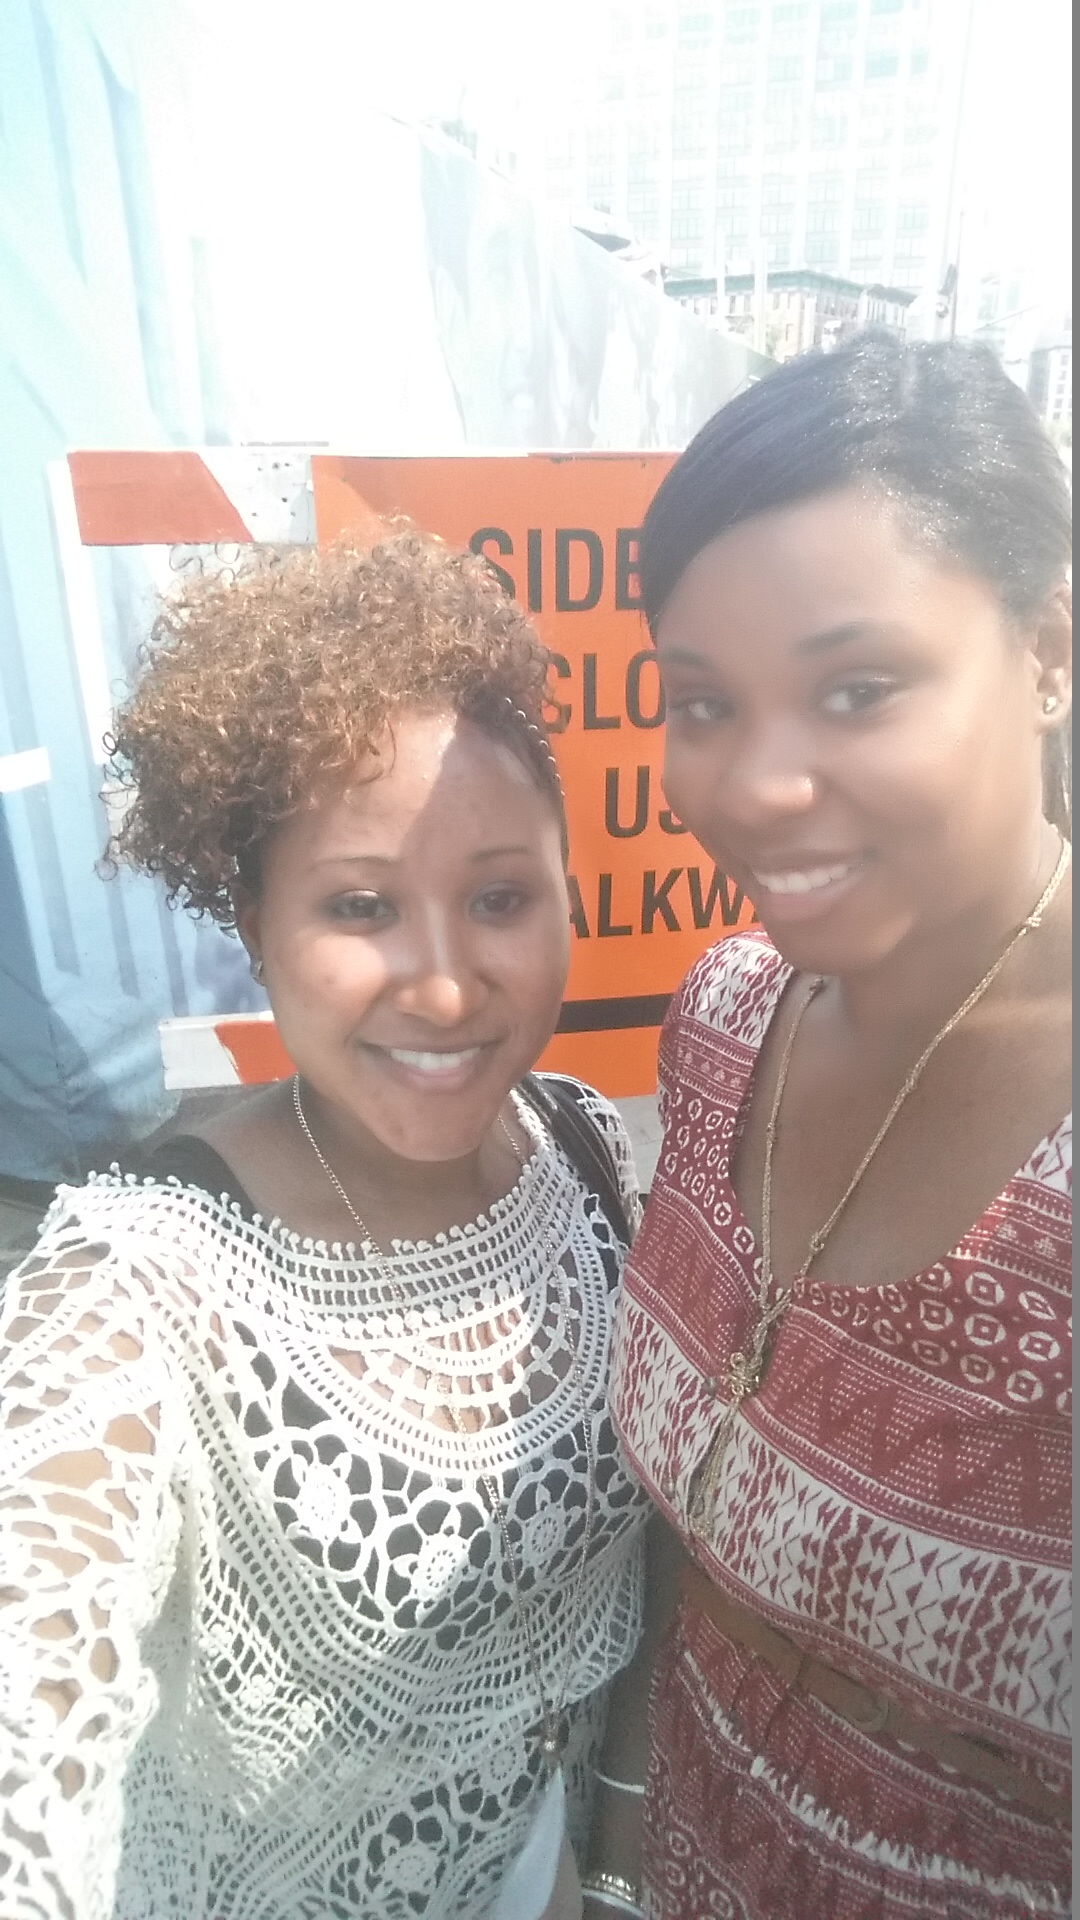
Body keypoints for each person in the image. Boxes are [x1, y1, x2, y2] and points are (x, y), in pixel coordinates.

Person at [0, 531, 658, 1920]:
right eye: (361, 907)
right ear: (254, 922)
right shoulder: (139, 1277)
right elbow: (37, 1654)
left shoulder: (584, 1152)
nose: (444, 986)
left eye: (499, 898)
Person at [611, 334, 1072, 1920]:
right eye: (704, 704)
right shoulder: (728, 1016)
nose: (758, 786)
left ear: (1048, 649)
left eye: (856, 690)